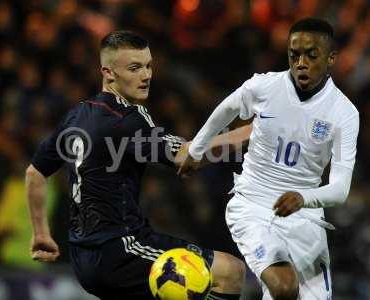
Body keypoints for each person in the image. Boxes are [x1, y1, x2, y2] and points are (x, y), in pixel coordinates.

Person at [25, 30, 248, 300]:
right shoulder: (127, 119)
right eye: (134, 68)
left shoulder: (78, 114)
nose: (146, 75)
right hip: (120, 250)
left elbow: (35, 172)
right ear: (108, 73)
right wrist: (254, 130)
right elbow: (188, 156)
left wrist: (40, 233)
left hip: (82, 258)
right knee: (229, 271)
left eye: (148, 65)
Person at [179, 18, 359, 300]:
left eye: (311, 55)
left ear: (331, 58)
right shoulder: (264, 87)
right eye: (294, 54)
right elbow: (227, 108)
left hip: (306, 216)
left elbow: (340, 188)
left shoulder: (344, 114)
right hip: (254, 205)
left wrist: (303, 198)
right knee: (284, 286)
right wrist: (196, 148)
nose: (301, 62)